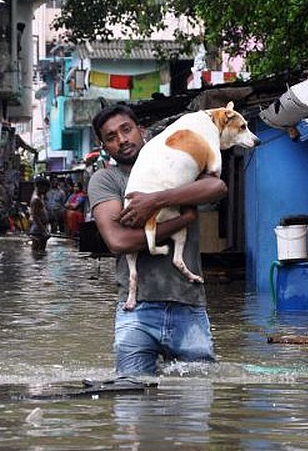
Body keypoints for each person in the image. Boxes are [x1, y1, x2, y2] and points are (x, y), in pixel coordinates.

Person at [87, 104, 227, 375]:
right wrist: (182, 220)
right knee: (132, 403)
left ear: (142, 131)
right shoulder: (106, 180)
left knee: (194, 406)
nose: (122, 140)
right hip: (136, 311)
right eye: (111, 137)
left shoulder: (178, 163)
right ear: (104, 146)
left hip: (189, 304)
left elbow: (217, 186)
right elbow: (119, 241)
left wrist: (155, 200)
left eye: (126, 130)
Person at [29, 177, 50, 251]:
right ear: (40, 186)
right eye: (46, 188)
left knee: (41, 252)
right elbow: (35, 216)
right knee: (38, 252)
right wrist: (44, 231)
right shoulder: (36, 199)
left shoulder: (40, 196)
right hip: (38, 229)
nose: (47, 191)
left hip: (40, 228)